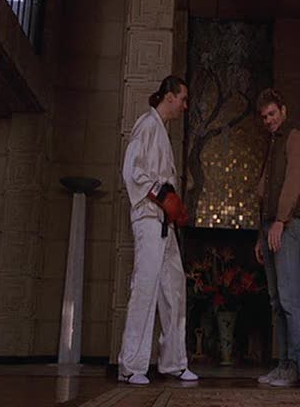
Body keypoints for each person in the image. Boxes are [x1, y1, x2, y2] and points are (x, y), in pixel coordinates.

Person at [118, 75, 198, 385]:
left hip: (164, 223)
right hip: (149, 219)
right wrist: (164, 197)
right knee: (145, 288)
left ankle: (174, 362)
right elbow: (132, 171)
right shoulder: (147, 124)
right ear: (169, 96)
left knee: (174, 289)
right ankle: (131, 366)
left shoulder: (161, 130)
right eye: (183, 99)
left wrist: (174, 207)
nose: (185, 106)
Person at [254, 88, 300, 387]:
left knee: (289, 298)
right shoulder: (273, 143)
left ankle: (299, 367)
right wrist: (260, 236)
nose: (269, 120)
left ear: (283, 111)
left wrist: (280, 221)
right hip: (269, 228)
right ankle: (284, 364)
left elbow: (293, 181)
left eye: (272, 114)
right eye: (264, 117)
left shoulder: (294, 137)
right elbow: (264, 192)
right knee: (276, 301)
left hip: (285, 226)